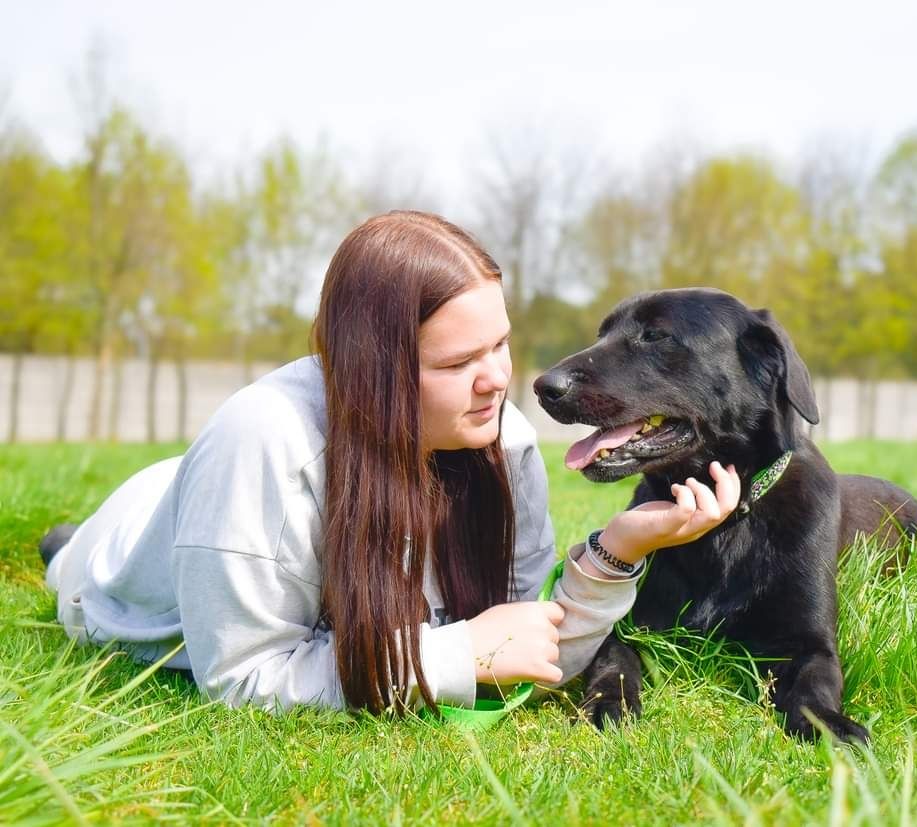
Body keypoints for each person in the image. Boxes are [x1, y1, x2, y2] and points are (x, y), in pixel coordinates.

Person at [40, 210, 740, 715]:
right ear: (376, 370)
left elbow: (527, 646)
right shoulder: (261, 441)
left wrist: (616, 552)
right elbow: (243, 676)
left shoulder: (503, 437)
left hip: (219, 509)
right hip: (131, 549)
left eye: (499, 345)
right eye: (460, 361)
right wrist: (454, 655)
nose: (498, 379)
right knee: (78, 554)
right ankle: (61, 544)